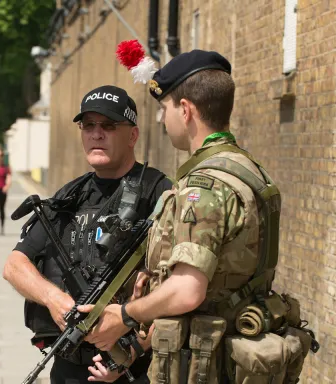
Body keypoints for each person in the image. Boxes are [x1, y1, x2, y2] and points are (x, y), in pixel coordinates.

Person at [80, 51, 317, 383]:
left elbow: (187, 290)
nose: (162, 120)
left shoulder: (203, 187)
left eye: (165, 110)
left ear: (186, 110)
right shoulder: (249, 171)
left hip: (209, 365)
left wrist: (124, 315)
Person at [2, 85, 173, 383]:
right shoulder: (70, 195)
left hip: (139, 369)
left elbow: (179, 288)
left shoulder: (158, 192)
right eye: (88, 125)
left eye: (108, 125)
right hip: (70, 368)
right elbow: (14, 266)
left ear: (132, 135)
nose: (96, 133)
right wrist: (54, 300)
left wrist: (131, 350)